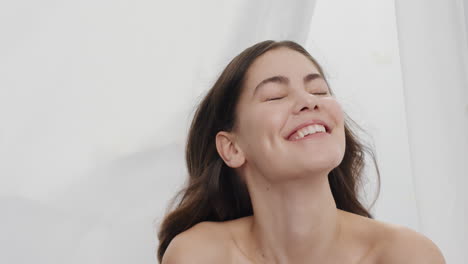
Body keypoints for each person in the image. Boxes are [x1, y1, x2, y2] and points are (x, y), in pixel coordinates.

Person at [157, 40, 446, 263]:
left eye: (319, 90)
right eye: (275, 96)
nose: (308, 101)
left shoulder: (405, 255)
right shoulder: (200, 255)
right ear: (232, 148)